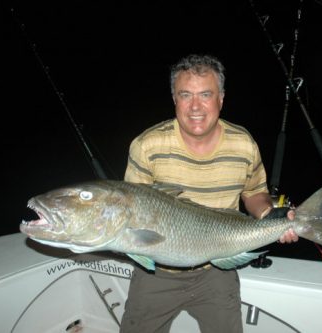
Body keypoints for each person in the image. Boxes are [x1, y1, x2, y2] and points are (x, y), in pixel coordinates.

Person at [121, 54, 298, 333]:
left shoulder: (243, 144)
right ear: (174, 98)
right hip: (156, 275)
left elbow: (253, 193)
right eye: (185, 95)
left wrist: (271, 216)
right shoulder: (148, 145)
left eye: (205, 94)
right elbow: (132, 212)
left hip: (217, 271)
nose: (195, 107)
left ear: (221, 99)